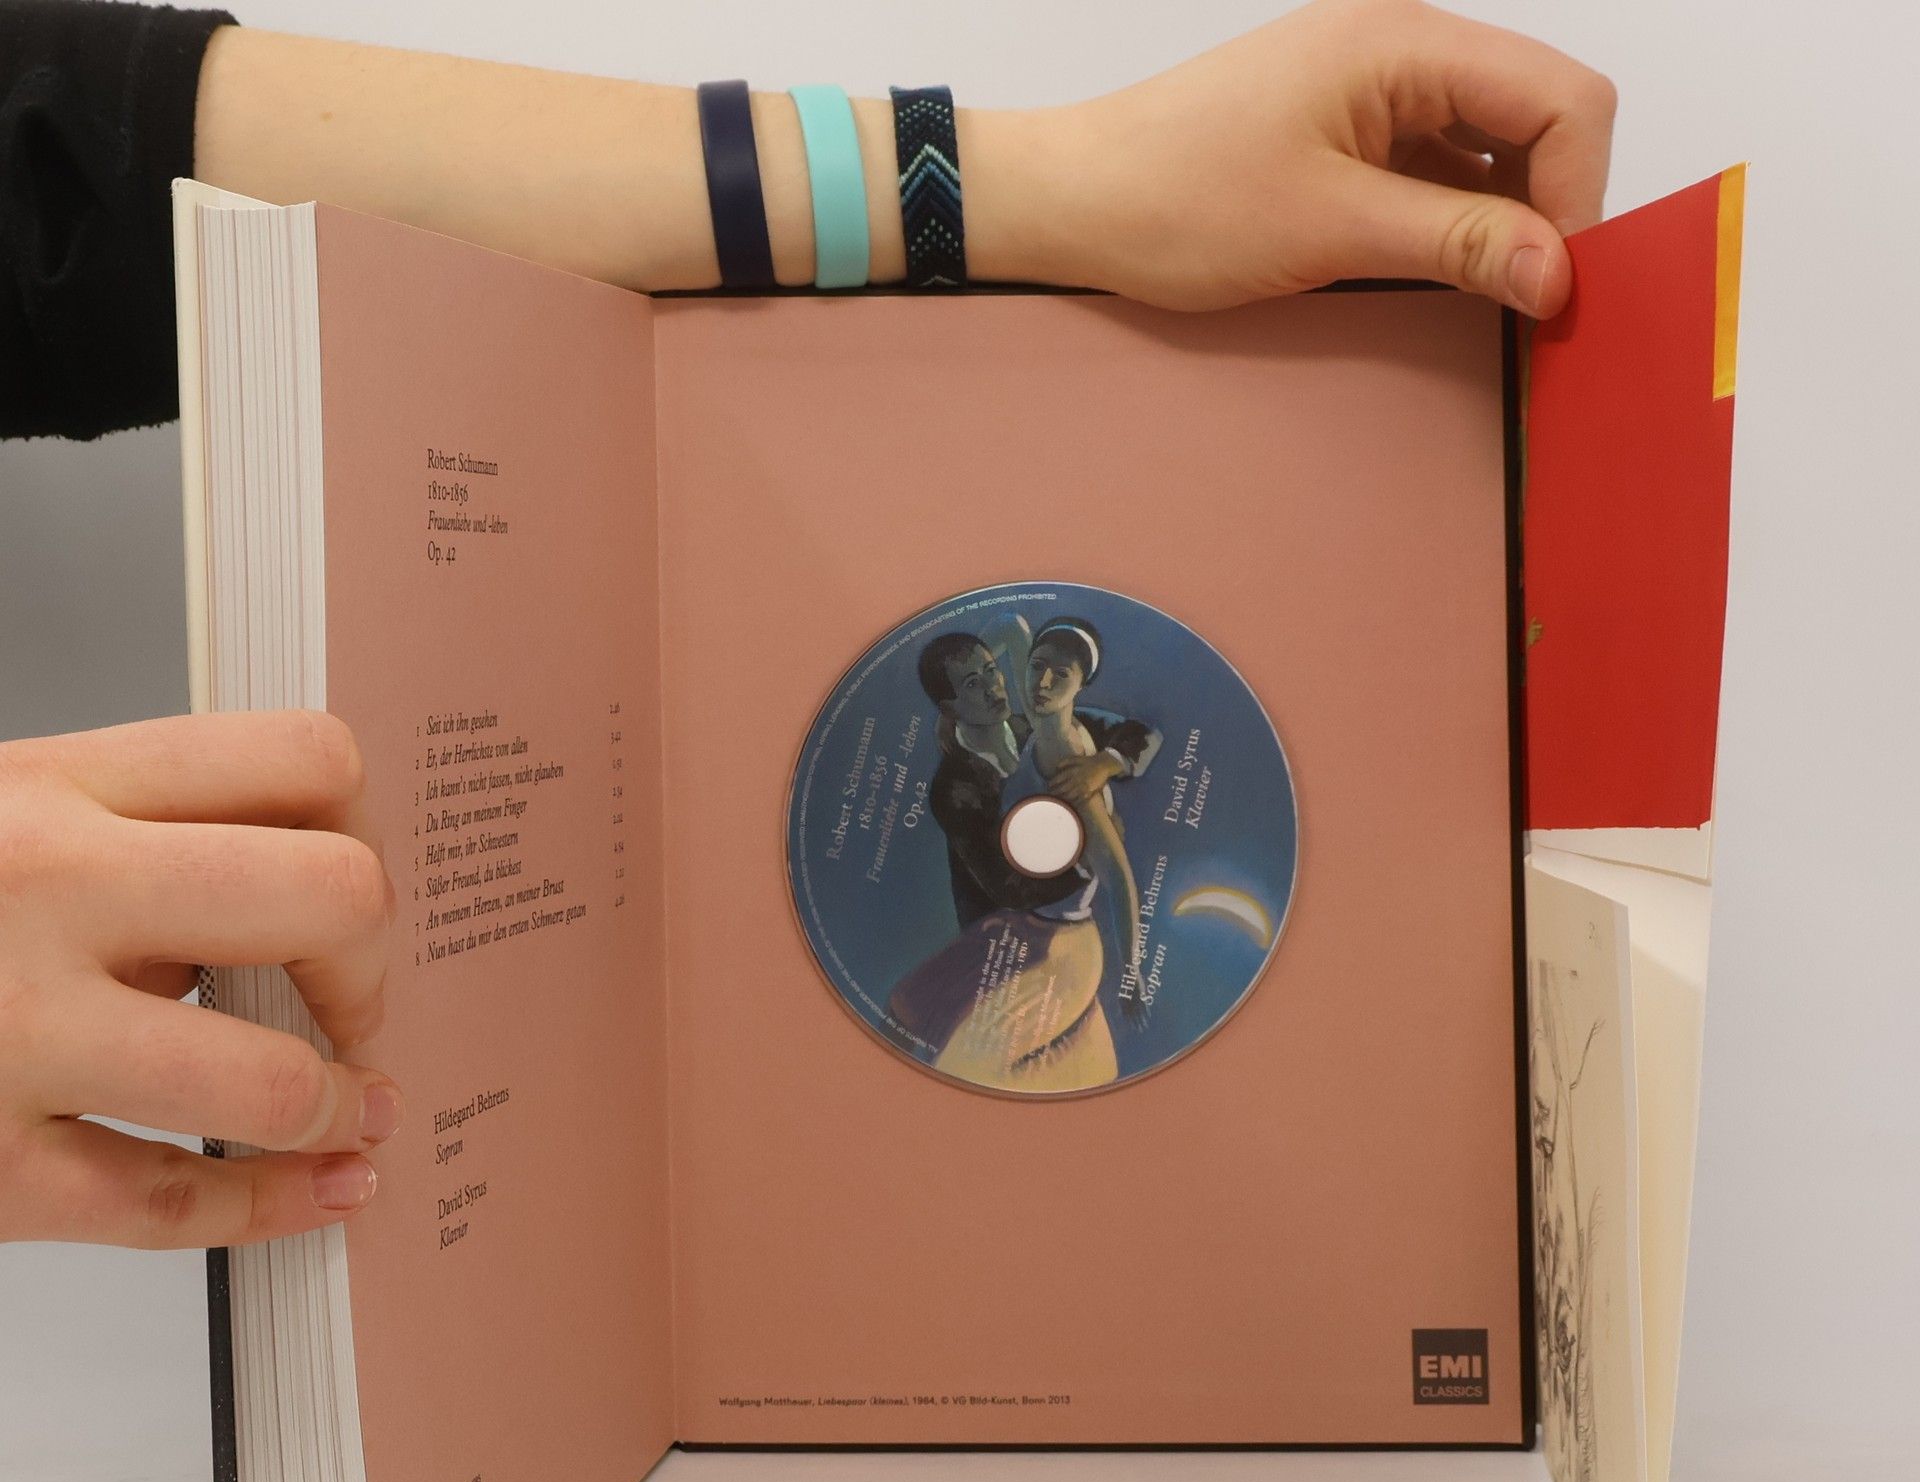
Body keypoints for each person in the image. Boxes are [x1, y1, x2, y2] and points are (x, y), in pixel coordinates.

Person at [0, 0, 1616, 1243]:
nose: (1027, 694)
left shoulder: (1036, 767)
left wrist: (1040, 182)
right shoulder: (970, 793)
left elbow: (73, 171)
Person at [917, 626, 1160, 929]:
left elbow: (1144, 736)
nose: (992, 689)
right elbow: (1009, 888)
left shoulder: (1035, 727)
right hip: (1003, 934)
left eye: (992, 671)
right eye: (973, 684)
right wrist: (1086, 861)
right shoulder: (953, 788)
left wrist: (1105, 763)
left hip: (1069, 920)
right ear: (948, 709)